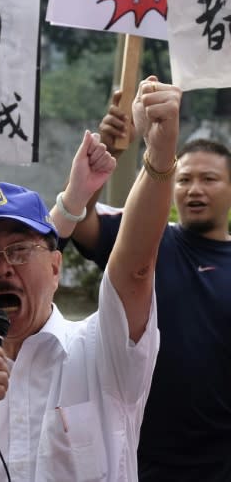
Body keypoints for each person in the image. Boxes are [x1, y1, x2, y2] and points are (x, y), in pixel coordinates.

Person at [0, 77, 181, 481]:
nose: (1, 268)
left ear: (54, 267)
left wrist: (158, 155)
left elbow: (135, 269)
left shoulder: (102, 353)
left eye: (19, 250)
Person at [72, 90, 231, 479]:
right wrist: (105, 158)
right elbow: (79, 220)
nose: (195, 189)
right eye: (185, 178)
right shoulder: (146, 238)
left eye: (209, 179)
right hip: (137, 453)